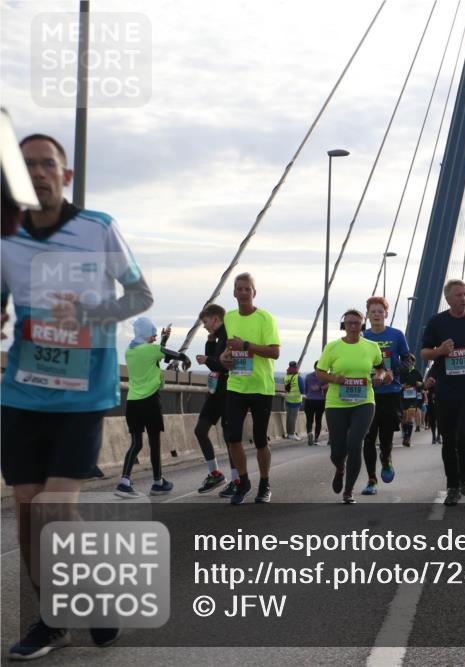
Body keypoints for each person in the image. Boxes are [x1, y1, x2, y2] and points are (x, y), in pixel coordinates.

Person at [1, 133, 152, 658]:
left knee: (52, 508)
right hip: (22, 393)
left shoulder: (98, 228)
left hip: (84, 395)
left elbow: (141, 294)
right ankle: (54, 619)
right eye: (27, 166)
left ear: (65, 176)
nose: (38, 172)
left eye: (48, 164)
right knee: (27, 513)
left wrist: (89, 315)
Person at [420, 279, 465, 506]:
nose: (463, 298)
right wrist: (439, 351)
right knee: (449, 440)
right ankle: (453, 486)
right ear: (448, 299)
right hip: (446, 391)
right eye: (459, 295)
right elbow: (424, 353)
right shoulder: (437, 322)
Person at [316, 308, 390, 504]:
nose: (353, 326)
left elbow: (381, 367)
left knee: (355, 443)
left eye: (357, 323)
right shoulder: (332, 347)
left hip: (364, 402)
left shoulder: (372, 346)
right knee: (337, 451)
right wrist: (334, 378)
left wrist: (380, 377)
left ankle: (348, 491)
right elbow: (320, 372)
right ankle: (340, 468)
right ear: (343, 326)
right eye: (349, 323)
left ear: (362, 325)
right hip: (336, 403)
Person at [219, 272, 281, 505]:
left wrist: (245, 345)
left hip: (261, 387)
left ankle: (264, 483)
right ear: (234, 292)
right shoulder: (230, 318)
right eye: (240, 289)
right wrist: (225, 358)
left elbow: (274, 352)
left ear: (254, 293)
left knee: (260, 440)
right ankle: (243, 481)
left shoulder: (265, 318)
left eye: (248, 289)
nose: (244, 292)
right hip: (236, 384)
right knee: (232, 437)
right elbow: (228, 351)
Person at [114, 319, 190, 498]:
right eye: (153, 334)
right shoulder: (151, 350)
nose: (155, 337)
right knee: (154, 443)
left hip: (132, 402)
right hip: (150, 402)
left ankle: (124, 481)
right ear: (145, 333)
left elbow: (155, 359)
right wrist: (185, 358)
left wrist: (162, 340)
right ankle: (157, 482)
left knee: (136, 443)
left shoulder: (130, 351)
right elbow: (173, 355)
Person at [361, 297, 409, 495]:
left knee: (386, 435)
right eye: (373, 312)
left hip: (390, 393)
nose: (376, 315)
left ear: (386, 314)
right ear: (368, 315)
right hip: (368, 395)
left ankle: (387, 458)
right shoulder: (362, 337)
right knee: (368, 437)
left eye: (380, 311)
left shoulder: (397, 335)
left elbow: (408, 361)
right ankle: (371, 480)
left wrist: (393, 373)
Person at [194, 303, 239, 495]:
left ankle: (237, 480)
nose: (204, 326)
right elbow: (214, 362)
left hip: (229, 392)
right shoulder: (219, 337)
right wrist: (210, 343)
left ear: (215, 318)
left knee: (230, 438)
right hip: (216, 393)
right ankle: (215, 473)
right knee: (200, 430)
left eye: (205, 322)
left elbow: (225, 364)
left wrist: (207, 360)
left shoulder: (229, 335)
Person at [398, 353, 423, 447]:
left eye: (411, 361)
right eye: (407, 361)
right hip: (403, 398)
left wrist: (420, 384)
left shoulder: (416, 372)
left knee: (410, 416)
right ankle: (405, 434)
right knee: (404, 418)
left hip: (413, 398)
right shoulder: (401, 372)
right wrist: (402, 386)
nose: (409, 363)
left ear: (414, 362)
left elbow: (422, 385)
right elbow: (397, 384)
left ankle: (407, 438)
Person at [302, 362, 328, 446]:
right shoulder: (324, 377)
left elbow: (305, 390)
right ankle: (316, 438)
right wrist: (320, 387)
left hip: (309, 400)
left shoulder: (308, 376)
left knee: (309, 419)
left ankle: (309, 432)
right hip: (320, 400)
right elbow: (328, 385)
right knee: (318, 419)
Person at [283, 360, 304, 440]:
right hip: (295, 400)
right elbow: (302, 390)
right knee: (293, 418)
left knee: (288, 417)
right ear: (296, 367)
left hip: (287, 399)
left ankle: (289, 433)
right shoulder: (298, 377)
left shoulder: (285, 377)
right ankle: (291, 434)